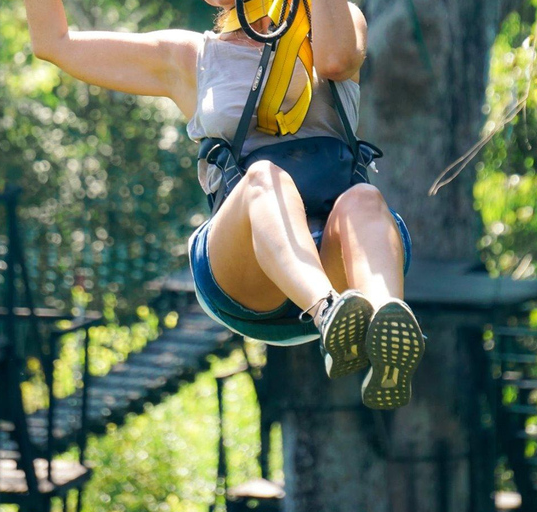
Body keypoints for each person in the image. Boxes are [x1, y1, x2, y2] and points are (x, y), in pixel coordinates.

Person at [23, 0, 425, 409]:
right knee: (264, 179)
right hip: (245, 266)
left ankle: (384, 321)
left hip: (337, 253)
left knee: (366, 198)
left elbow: (337, 61)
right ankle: (331, 317)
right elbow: (55, 43)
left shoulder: (334, 20)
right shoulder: (189, 57)